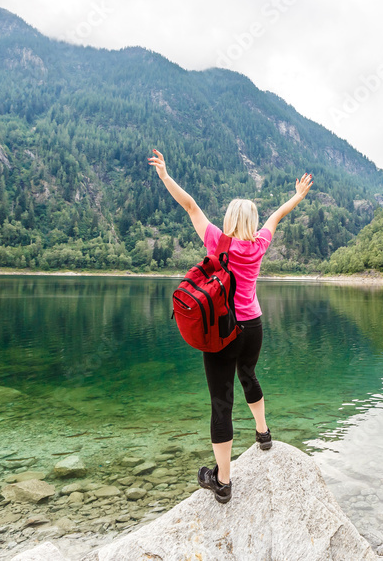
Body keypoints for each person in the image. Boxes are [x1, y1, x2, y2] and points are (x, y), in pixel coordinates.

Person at [148, 149, 313, 503]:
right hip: (253, 327)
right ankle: (263, 433)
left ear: (228, 218)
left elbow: (190, 206)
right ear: (251, 222)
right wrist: (297, 196)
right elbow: (277, 217)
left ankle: (222, 481)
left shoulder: (217, 241)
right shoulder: (259, 246)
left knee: (221, 403)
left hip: (222, 332)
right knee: (249, 376)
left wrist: (164, 176)